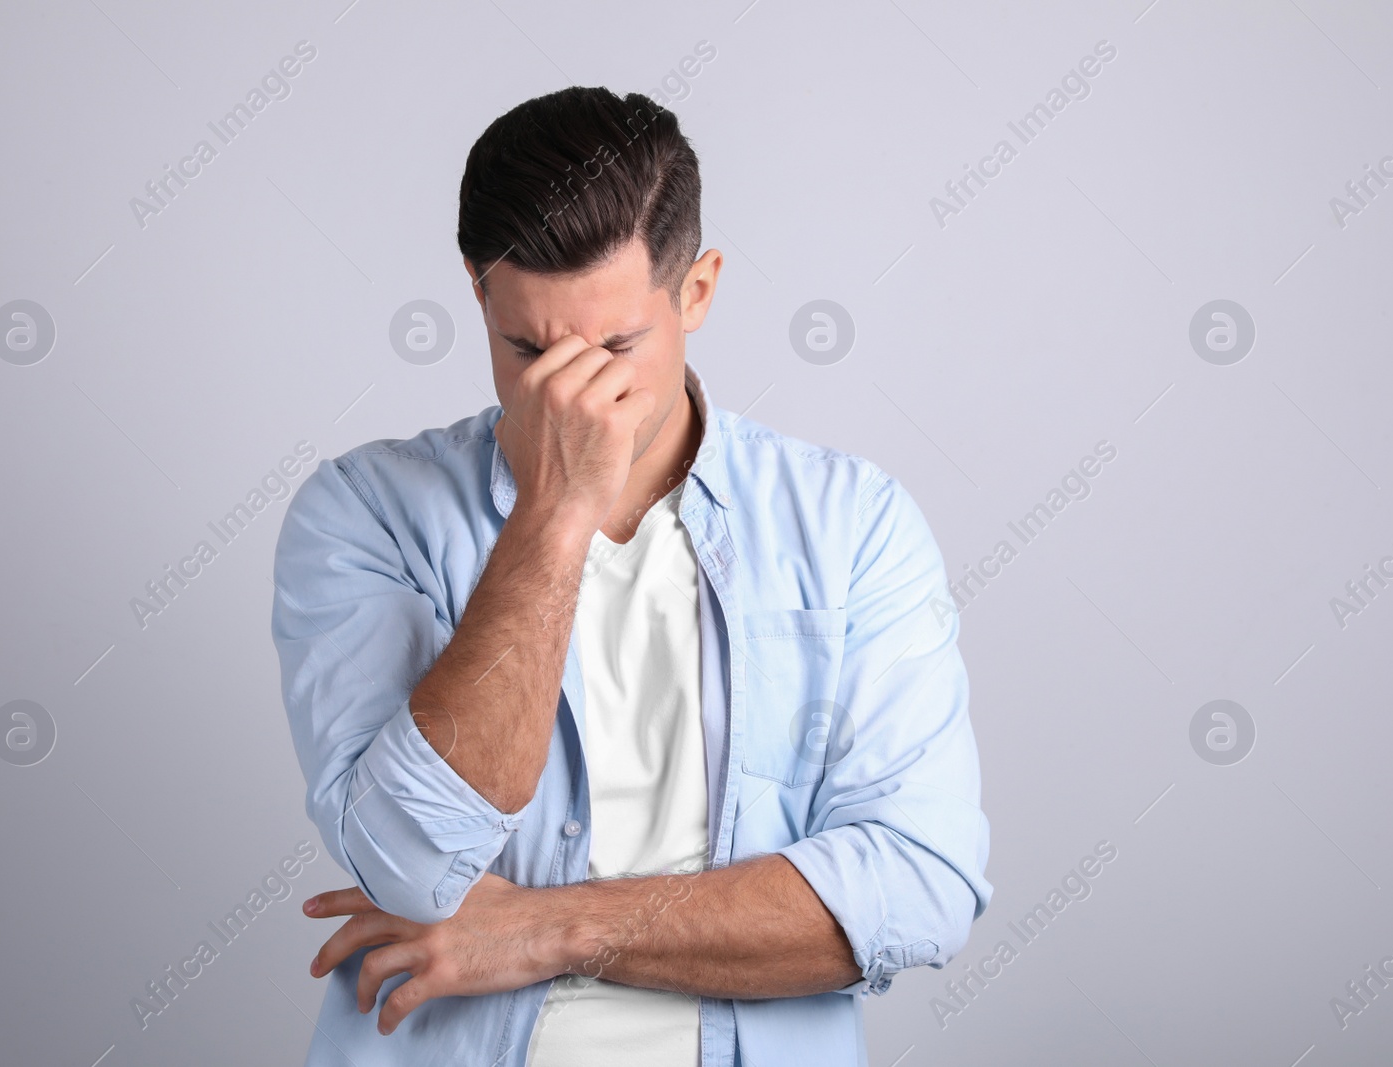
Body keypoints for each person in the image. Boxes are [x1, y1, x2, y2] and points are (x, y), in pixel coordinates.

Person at [270, 84, 992, 1067]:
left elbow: (917, 888)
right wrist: (555, 517)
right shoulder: (363, 513)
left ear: (696, 292)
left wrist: (544, 928)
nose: (568, 393)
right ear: (478, 291)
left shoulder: (852, 526)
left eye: (614, 347)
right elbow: (410, 863)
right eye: (527, 348)